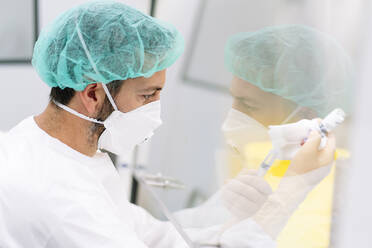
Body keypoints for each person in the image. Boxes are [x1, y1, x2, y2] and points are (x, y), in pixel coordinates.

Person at [0, 2, 335, 247]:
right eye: (148, 95)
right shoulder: (59, 193)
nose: (156, 111)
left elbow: (146, 234)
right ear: (93, 94)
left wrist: (222, 215)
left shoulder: (61, 150)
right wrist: (289, 192)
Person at [221, 25, 352, 246]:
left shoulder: (345, 196)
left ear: (306, 116)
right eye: (234, 100)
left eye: (248, 105)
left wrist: (283, 199)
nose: (232, 118)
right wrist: (238, 219)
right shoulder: (269, 169)